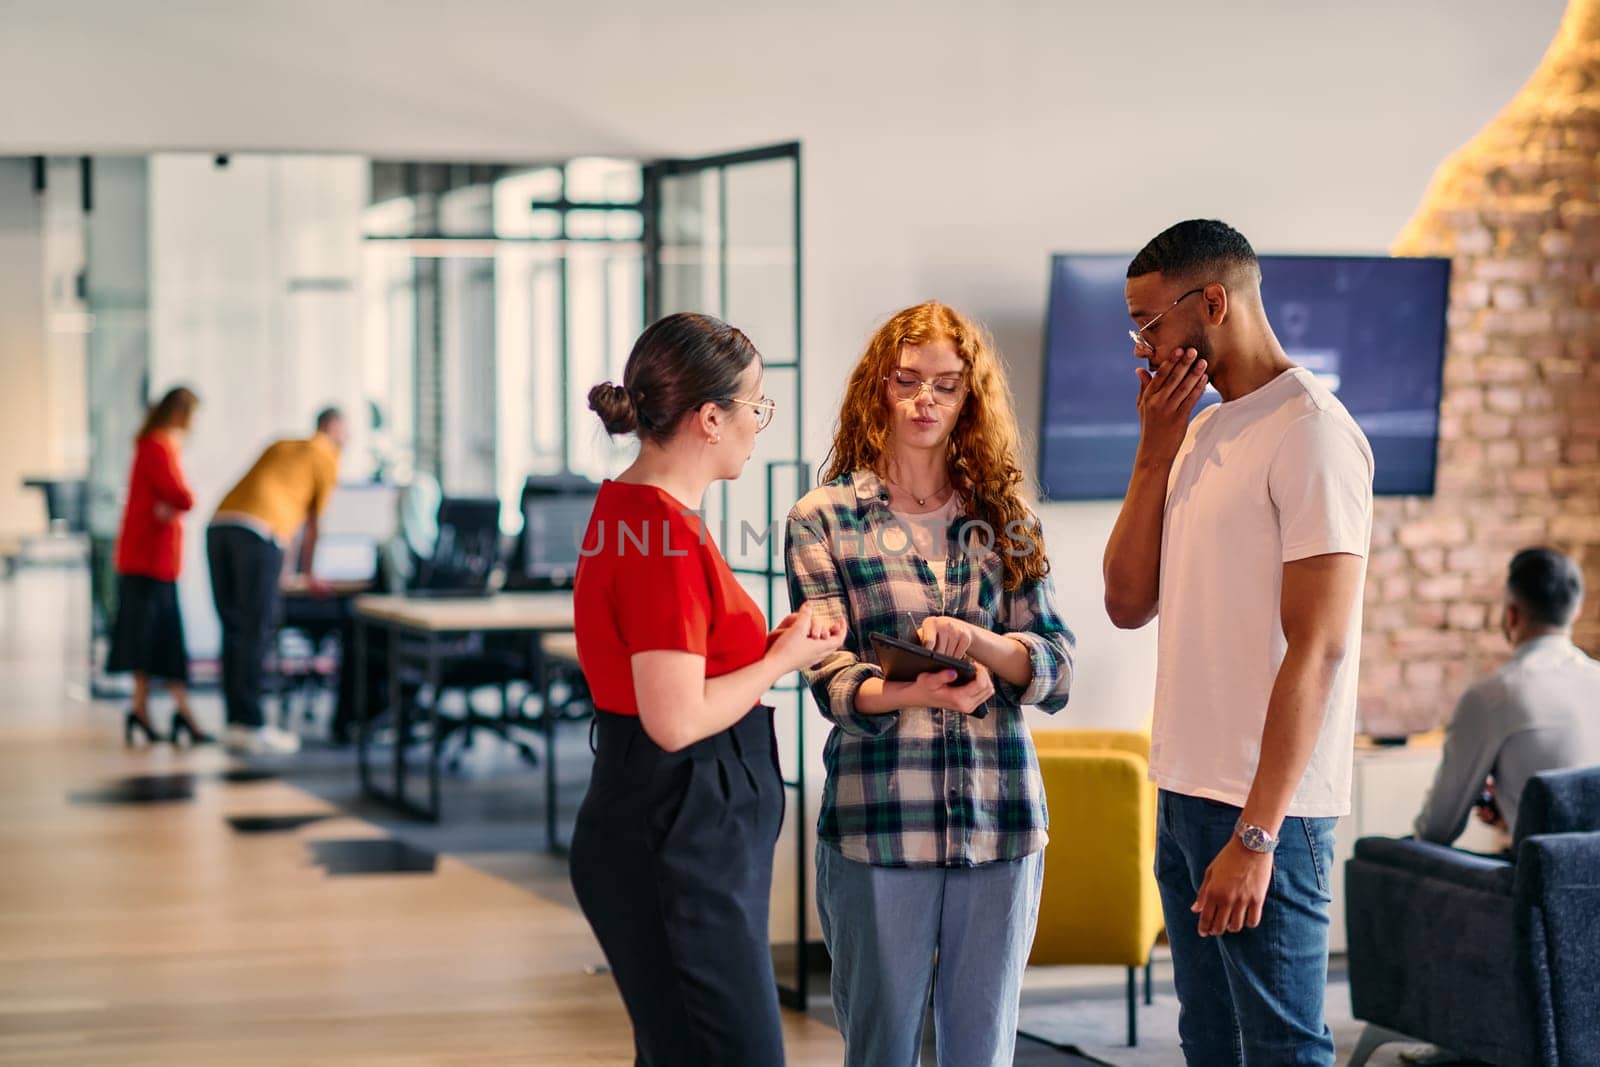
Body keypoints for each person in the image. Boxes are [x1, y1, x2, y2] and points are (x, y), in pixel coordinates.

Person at [1103, 219, 1374, 1066]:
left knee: (1283, 1049)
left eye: (1148, 323)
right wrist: (1152, 454)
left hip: (1265, 812)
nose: (1142, 346)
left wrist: (1256, 836)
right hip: (1184, 791)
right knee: (1211, 1043)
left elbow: (1320, 648)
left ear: (1212, 301)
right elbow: (1124, 600)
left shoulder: (1313, 433)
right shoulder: (1199, 429)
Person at [785, 301, 1074, 1067]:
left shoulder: (1006, 517)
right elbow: (831, 679)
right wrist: (919, 690)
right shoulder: (824, 519)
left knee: (981, 1053)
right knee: (880, 1051)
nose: (925, 401)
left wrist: (984, 645)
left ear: (968, 398)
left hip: (1001, 819)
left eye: (946, 386)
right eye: (908, 381)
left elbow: (1056, 666)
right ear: (878, 388)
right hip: (879, 822)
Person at [569, 312, 845, 1066]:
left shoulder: (641, 515)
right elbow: (674, 717)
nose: (760, 424)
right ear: (711, 417)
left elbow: (674, 669)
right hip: (673, 831)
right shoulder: (660, 534)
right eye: (757, 405)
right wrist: (779, 662)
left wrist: (766, 648)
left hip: (677, 825)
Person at [1414, 547, 1600, 845]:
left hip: (1544, 885)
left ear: (1511, 614)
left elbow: (1437, 830)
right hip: (1587, 883)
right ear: (1575, 613)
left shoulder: (1492, 697)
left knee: (1383, 851)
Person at [208, 407, 347, 756]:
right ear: (334, 428)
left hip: (219, 525)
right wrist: (308, 573)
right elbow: (313, 523)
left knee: (234, 628)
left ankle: (235, 722)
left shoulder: (283, 443)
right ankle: (253, 726)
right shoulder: (326, 455)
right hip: (258, 534)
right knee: (257, 628)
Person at [108, 386, 211, 745]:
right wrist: (175, 503)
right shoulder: (157, 446)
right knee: (160, 638)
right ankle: (177, 713)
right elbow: (183, 495)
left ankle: (147, 710)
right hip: (149, 560)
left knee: (152, 637)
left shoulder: (153, 445)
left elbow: (174, 500)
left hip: (149, 558)